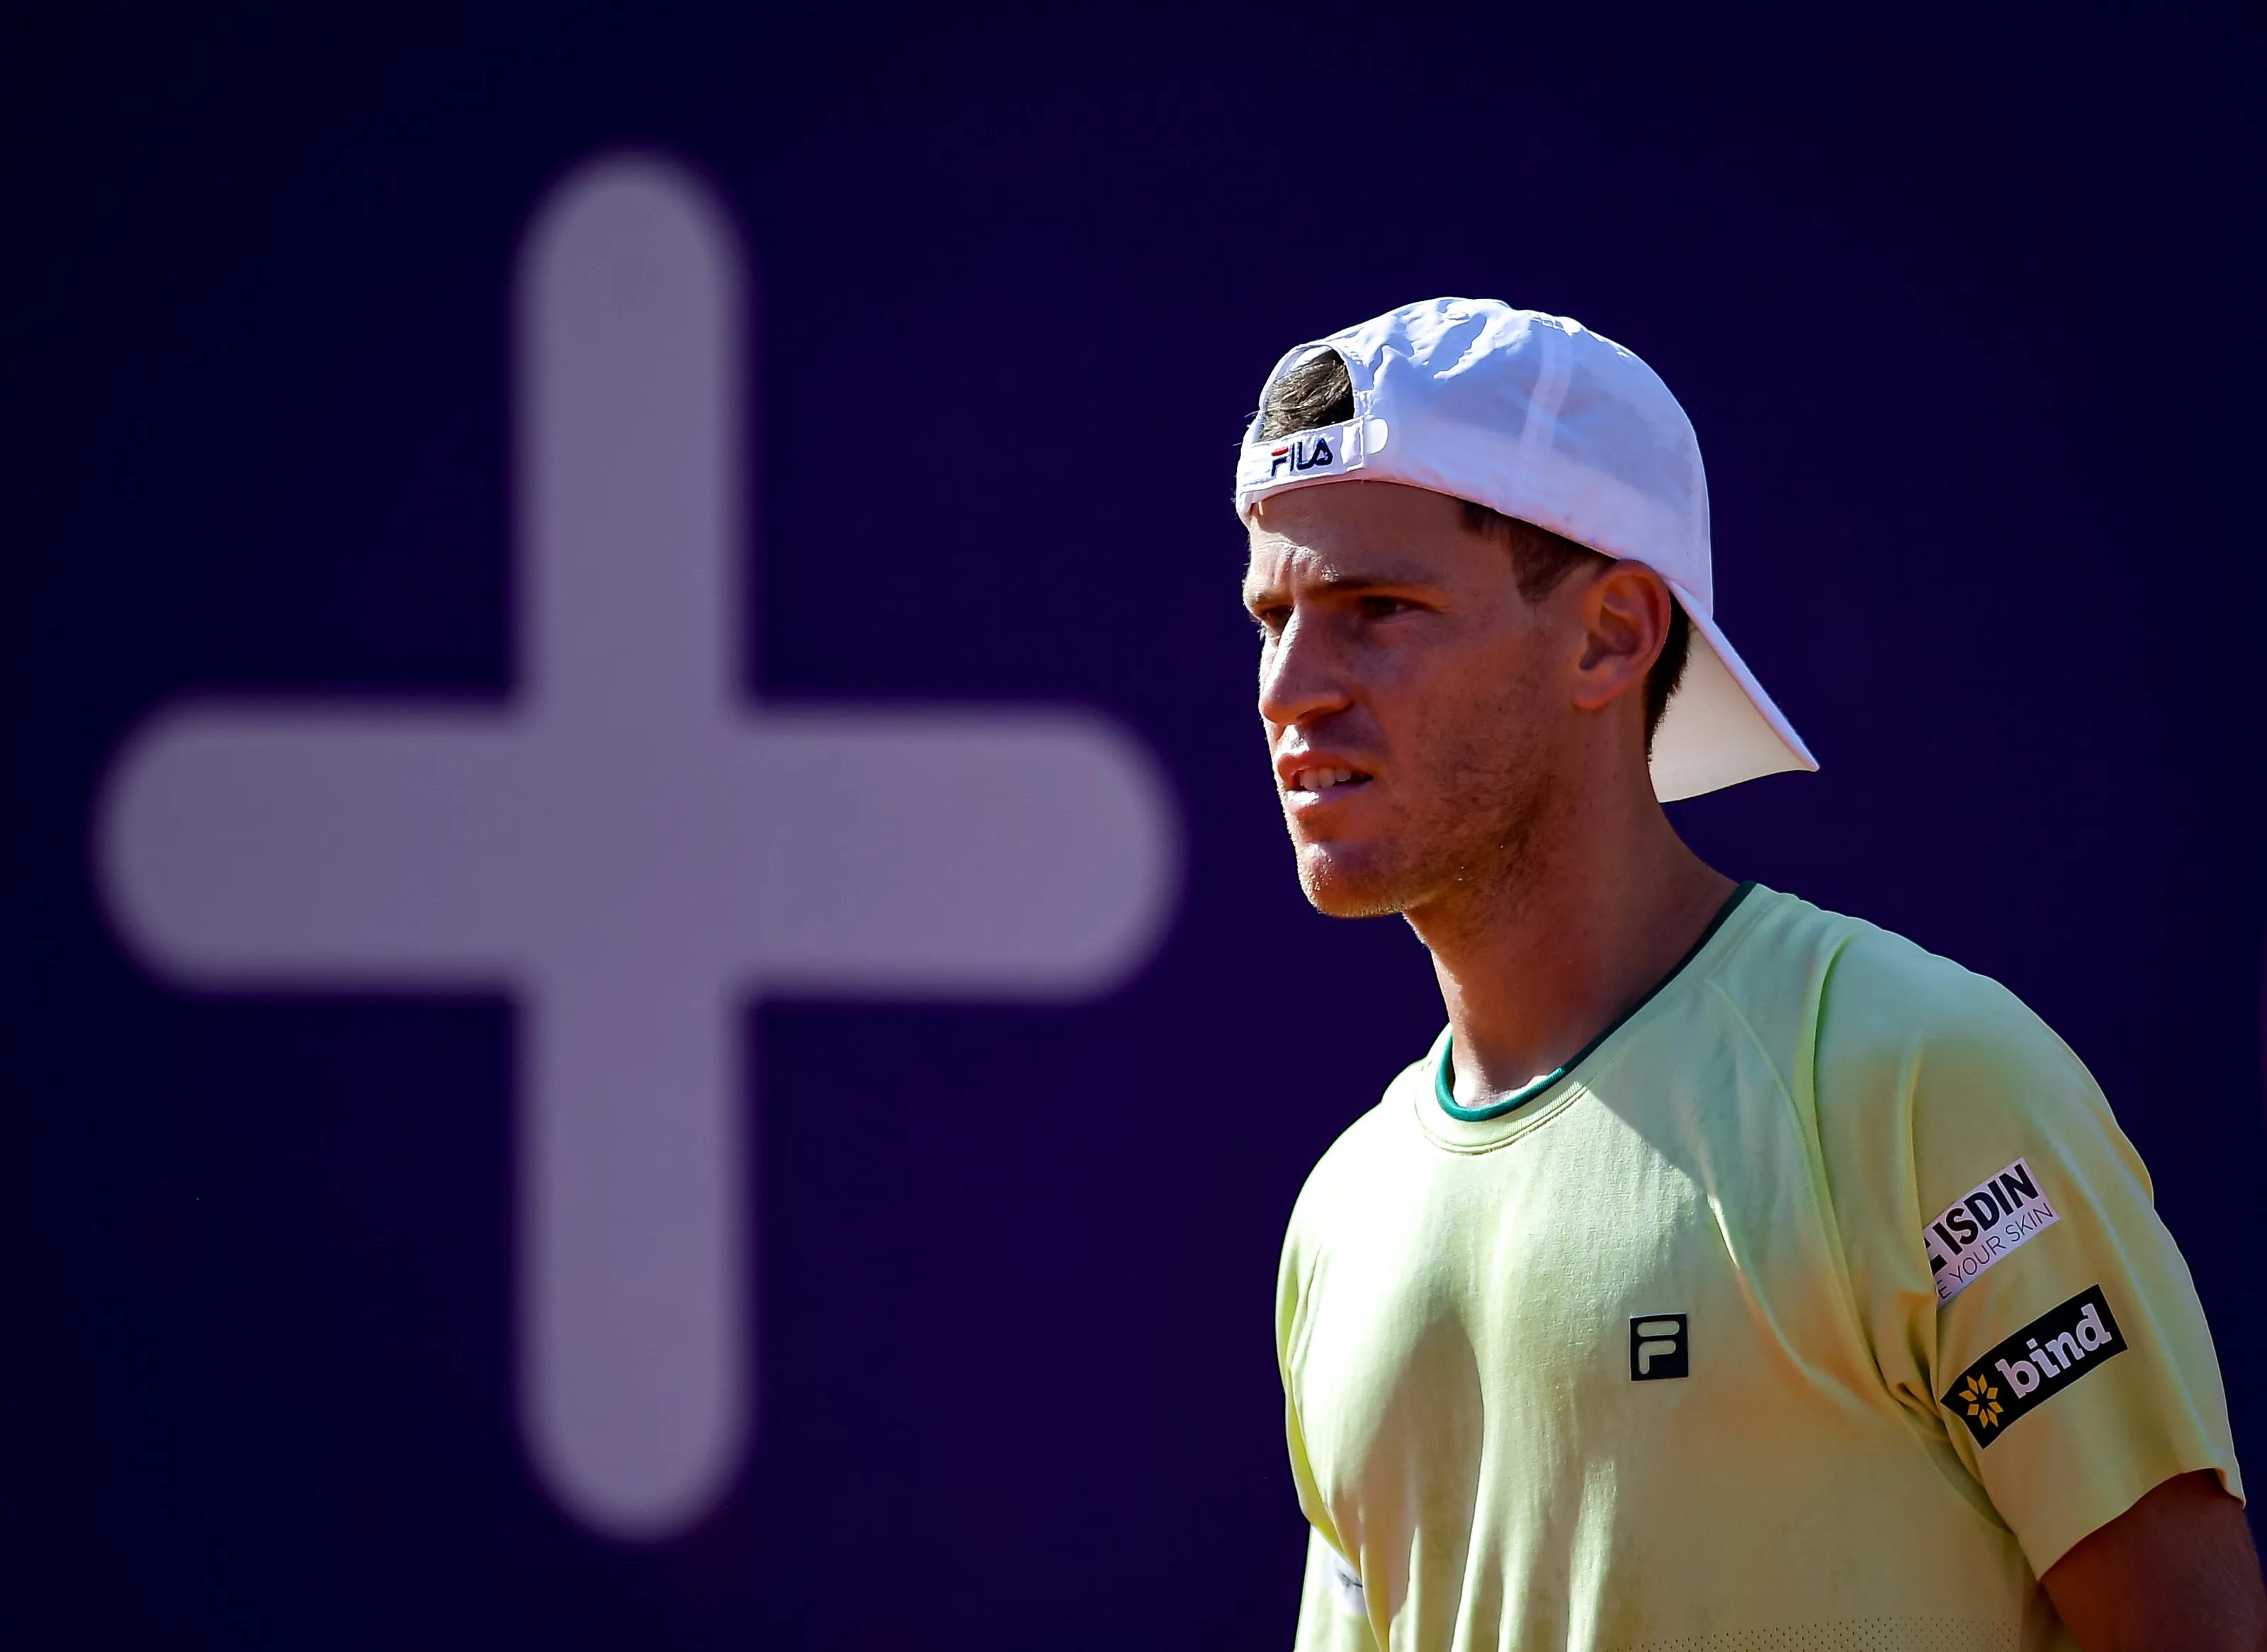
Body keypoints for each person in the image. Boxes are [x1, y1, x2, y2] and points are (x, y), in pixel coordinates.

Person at [1240, 299, 2263, 1652]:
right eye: (1273, 616)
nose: (1290, 687)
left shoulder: (1921, 1081)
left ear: (1611, 635)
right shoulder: (1344, 1215)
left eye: (1378, 609)